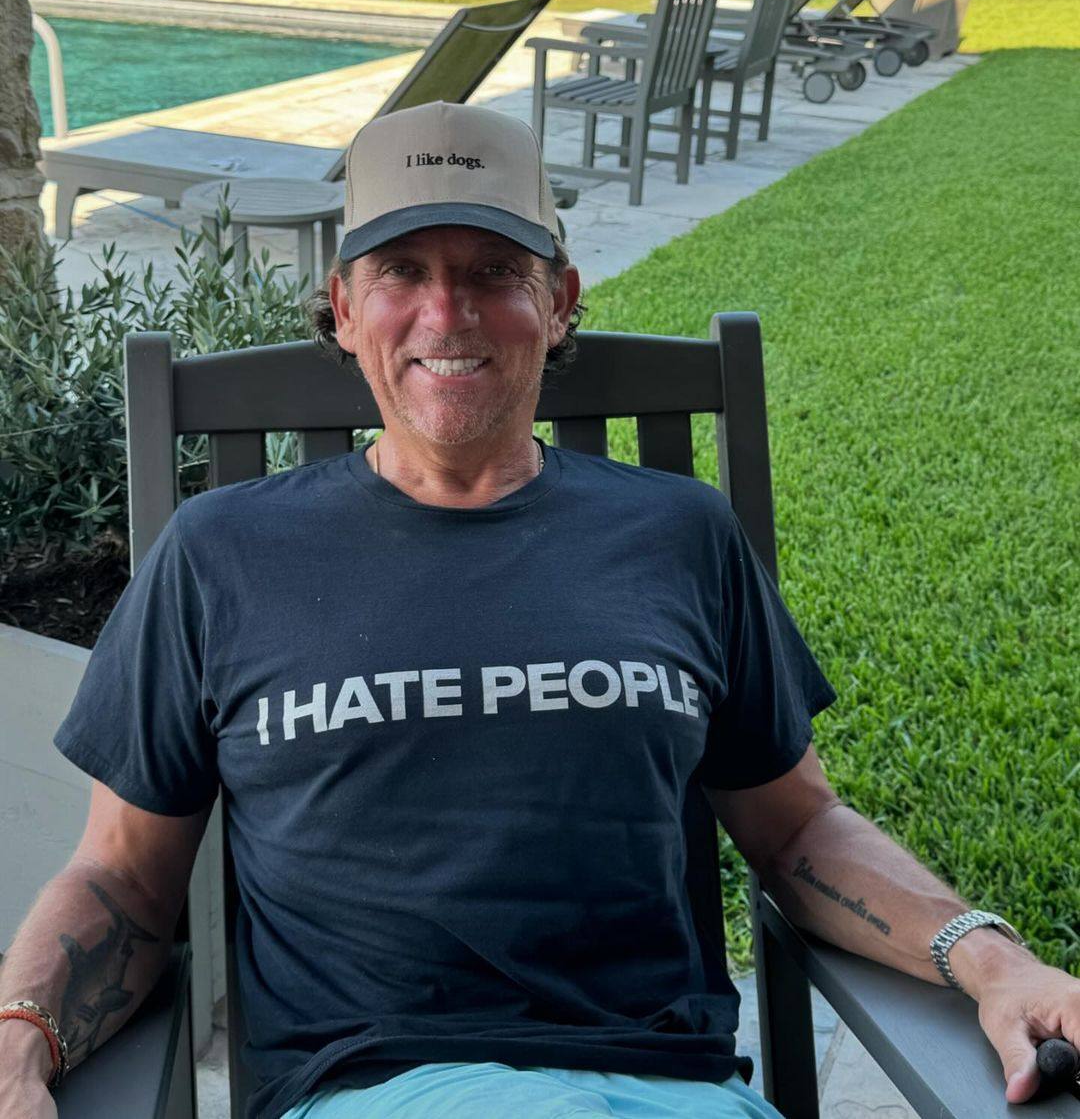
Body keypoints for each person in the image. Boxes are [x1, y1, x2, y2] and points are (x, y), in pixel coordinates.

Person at [1, 102, 1075, 1119]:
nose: (447, 314)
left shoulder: (682, 534)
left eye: (493, 273)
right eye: (401, 273)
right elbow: (122, 878)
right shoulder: (220, 553)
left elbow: (797, 828)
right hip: (378, 1086)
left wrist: (994, 961)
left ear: (561, 300)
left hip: (676, 1089)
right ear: (340, 307)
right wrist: (21, 1033)